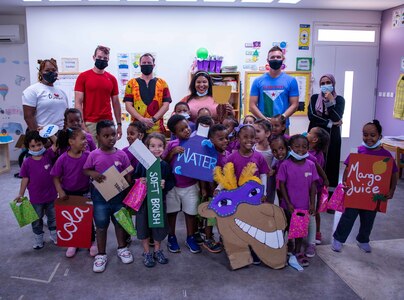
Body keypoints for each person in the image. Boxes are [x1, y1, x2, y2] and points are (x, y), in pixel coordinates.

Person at [332, 120, 398, 253]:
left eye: (372, 135)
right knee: (348, 217)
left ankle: (363, 239)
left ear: (379, 136)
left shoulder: (386, 155)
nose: (368, 138)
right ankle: (338, 239)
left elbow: (393, 174)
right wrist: (345, 182)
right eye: (365, 134)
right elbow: (348, 168)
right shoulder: (358, 151)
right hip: (355, 193)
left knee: (368, 219)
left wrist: (391, 189)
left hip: (372, 195)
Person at [83, 120, 133, 273]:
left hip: (119, 198)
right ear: (97, 137)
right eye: (106, 135)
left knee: (120, 224)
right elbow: (86, 170)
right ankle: (101, 254)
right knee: (101, 226)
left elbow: (129, 173)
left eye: (113, 135)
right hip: (100, 200)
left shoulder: (122, 154)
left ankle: (122, 248)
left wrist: (126, 182)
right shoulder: (93, 155)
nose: (110, 138)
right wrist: (95, 174)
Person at [220, 124, 270, 264]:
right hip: (237, 198)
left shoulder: (259, 157)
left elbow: (264, 175)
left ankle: (254, 250)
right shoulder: (232, 157)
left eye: (252, 137)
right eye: (245, 137)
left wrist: (263, 191)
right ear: (238, 138)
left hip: (253, 199)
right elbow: (226, 176)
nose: (249, 140)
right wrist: (219, 188)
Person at [51, 127, 97, 258]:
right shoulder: (63, 158)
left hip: (86, 192)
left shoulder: (88, 155)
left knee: (87, 218)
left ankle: (91, 242)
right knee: (71, 219)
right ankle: (73, 243)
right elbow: (55, 176)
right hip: (69, 193)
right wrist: (60, 191)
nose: (86, 141)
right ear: (71, 142)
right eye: (82, 138)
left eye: (86, 138)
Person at [134, 133, 175, 267]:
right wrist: (140, 181)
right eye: (152, 146)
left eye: (159, 146)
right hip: (143, 203)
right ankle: (146, 252)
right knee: (143, 226)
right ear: (147, 147)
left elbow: (171, 181)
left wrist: (165, 184)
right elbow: (134, 178)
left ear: (164, 147)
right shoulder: (142, 164)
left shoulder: (164, 165)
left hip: (158, 202)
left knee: (158, 226)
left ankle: (157, 250)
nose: (156, 149)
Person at [277, 134, 319, 267]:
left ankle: (297, 252)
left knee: (300, 231)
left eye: (304, 147)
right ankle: (286, 247)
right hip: (288, 205)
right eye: (297, 146)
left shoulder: (311, 165)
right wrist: (288, 203)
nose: (300, 149)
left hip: (304, 206)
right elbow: (282, 185)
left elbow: (313, 186)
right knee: (287, 227)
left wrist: (312, 203)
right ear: (290, 148)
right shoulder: (285, 165)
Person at [163, 114, 201, 254]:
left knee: (191, 212)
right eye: (181, 129)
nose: (186, 130)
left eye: (187, 127)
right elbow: (163, 163)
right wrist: (172, 153)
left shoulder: (197, 143)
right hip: (173, 186)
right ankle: (171, 237)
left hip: (191, 185)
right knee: (172, 212)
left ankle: (190, 237)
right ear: (174, 133)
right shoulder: (171, 145)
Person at [15, 130, 58, 249]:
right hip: (36, 198)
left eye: (39, 144)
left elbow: (57, 143)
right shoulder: (27, 162)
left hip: (51, 196)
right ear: (28, 147)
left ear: (43, 143)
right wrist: (20, 194)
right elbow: (24, 179)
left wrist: (48, 132)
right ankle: (38, 239)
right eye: (32, 146)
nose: (36, 148)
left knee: (53, 218)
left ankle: (54, 235)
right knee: (36, 220)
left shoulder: (48, 155)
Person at [74, 45, 122, 142]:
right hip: (90, 123)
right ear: (94, 57)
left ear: (108, 59)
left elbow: (116, 103)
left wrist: (119, 124)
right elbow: (78, 102)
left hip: (108, 122)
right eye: (99, 57)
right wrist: (82, 124)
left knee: (108, 152)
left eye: (105, 58)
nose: (102, 60)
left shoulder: (112, 79)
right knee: (92, 153)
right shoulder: (83, 77)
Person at [308, 74, 345, 191]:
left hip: (333, 136)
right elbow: (312, 116)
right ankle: (312, 187)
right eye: (322, 83)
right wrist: (329, 123)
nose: (325, 85)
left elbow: (337, 117)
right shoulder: (314, 98)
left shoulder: (339, 100)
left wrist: (330, 102)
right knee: (314, 160)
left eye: (328, 82)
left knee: (332, 161)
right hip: (315, 134)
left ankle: (329, 191)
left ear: (333, 84)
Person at [249, 46, 299, 129]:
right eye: (272, 57)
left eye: (278, 57)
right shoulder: (258, 81)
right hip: (263, 127)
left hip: (282, 126)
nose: (275, 59)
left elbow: (295, 104)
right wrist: (264, 120)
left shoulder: (291, 81)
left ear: (283, 59)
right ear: (268, 60)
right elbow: (252, 105)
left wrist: (281, 118)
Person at [124, 53, 172, 133]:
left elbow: (166, 106)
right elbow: (128, 106)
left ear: (153, 65)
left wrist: (152, 120)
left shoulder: (162, 83)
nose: (146, 65)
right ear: (140, 65)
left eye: (149, 63)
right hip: (137, 130)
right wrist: (142, 119)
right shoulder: (131, 83)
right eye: (144, 63)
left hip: (157, 129)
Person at [22, 59, 68, 130]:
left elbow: (66, 115)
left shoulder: (62, 93)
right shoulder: (32, 90)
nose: (51, 72)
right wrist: (37, 134)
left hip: (60, 133)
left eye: (53, 70)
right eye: (47, 70)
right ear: (40, 72)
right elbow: (28, 116)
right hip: (42, 133)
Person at [305, 127, 330, 256]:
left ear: (314, 139)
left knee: (315, 211)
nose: (306, 133)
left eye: (309, 133)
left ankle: (317, 233)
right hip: (304, 186)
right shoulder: (305, 150)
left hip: (315, 188)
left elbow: (315, 168)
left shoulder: (317, 155)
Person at [253, 119, 274, 203]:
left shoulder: (272, 149)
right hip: (255, 179)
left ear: (267, 133)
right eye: (253, 131)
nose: (255, 134)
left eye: (258, 131)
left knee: (268, 201)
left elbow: (276, 164)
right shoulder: (252, 148)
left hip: (269, 180)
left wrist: (273, 170)